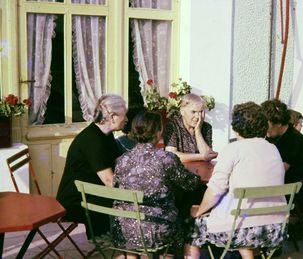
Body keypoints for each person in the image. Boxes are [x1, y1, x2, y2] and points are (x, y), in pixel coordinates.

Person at [189, 102, 286, 258]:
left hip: (241, 229)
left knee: (193, 228)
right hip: (274, 229)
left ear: (235, 127)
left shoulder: (233, 149)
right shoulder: (273, 149)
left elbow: (215, 190)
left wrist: (199, 211)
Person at [111, 110, 201, 257]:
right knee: (186, 217)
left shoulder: (122, 160)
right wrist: (196, 175)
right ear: (159, 132)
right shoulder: (166, 158)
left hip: (123, 230)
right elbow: (190, 184)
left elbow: (116, 186)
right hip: (156, 232)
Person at [56, 94, 127, 237]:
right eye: (124, 115)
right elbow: (109, 181)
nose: (126, 119)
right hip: (76, 200)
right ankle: (127, 245)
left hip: (92, 191)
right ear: (112, 117)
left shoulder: (105, 135)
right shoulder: (93, 140)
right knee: (134, 205)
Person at [261, 99, 303, 239]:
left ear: (278, 123)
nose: (264, 128)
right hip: (281, 188)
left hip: (293, 193)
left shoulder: (293, 139)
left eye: (267, 124)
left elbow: (279, 171)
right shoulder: (273, 136)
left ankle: (262, 239)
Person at [164, 93, 218, 162]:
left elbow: (208, 156)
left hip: (201, 169)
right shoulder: (173, 126)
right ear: (182, 112)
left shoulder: (206, 127)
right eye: (193, 112)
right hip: (180, 170)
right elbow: (171, 155)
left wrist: (198, 131)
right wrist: (201, 156)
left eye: (201, 112)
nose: (198, 116)